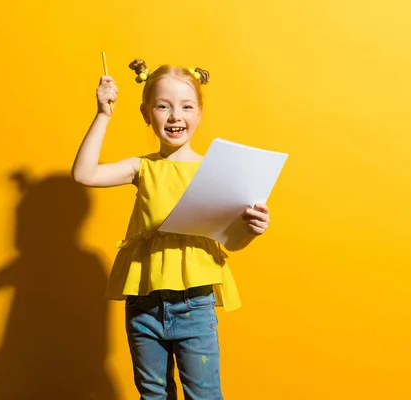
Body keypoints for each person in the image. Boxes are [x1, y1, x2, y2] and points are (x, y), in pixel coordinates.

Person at [72, 58, 270, 399]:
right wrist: (103, 114)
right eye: (163, 106)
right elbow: (84, 174)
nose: (175, 116)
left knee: (204, 395)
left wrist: (253, 229)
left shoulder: (218, 172)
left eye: (186, 106)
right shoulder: (141, 167)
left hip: (195, 305)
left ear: (199, 113)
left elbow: (232, 241)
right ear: (146, 113)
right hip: (144, 305)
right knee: (153, 395)